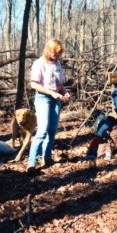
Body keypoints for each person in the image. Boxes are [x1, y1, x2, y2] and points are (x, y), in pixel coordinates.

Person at [27, 39, 71, 174]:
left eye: (58, 54)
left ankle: (47, 158)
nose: (56, 56)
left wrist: (65, 93)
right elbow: (34, 84)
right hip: (43, 98)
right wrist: (52, 93)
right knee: (42, 130)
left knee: (52, 130)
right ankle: (31, 163)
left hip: (56, 99)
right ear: (48, 50)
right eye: (54, 53)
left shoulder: (57, 64)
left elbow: (59, 85)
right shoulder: (39, 63)